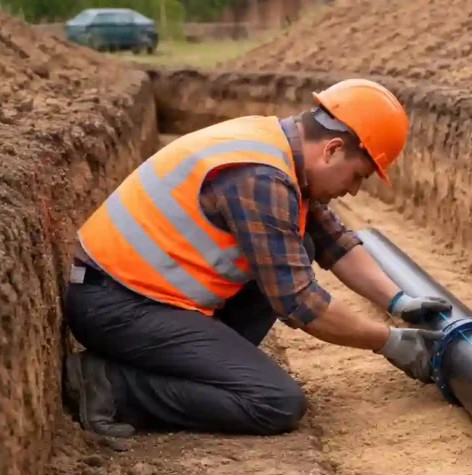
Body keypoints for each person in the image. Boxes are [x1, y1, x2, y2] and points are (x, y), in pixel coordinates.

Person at [61, 78, 451, 438]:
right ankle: (109, 384)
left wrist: (398, 301)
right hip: (118, 305)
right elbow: (301, 303)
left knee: (306, 246)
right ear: (333, 150)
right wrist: (388, 341)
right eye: (358, 176)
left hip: (137, 293)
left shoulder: (276, 146)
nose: (353, 191)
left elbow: (333, 241)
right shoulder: (259, 176)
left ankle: (205, 364)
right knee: (274, 402)